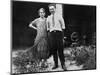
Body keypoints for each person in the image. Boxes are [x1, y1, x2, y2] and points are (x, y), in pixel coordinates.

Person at [46, 4, 67, 70]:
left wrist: (62, 36)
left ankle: (63, 64)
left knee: (60, 50)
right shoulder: (48, 17)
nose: (51, 10)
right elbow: (48, 28)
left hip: (59, 34)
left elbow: (63, 26)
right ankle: (56, 64)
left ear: (55, 9)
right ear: (49, 10)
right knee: (54, 50)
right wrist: (49, 35)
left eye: (52, 8)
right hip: (52, 34)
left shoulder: (59, 16)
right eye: (50, 9)